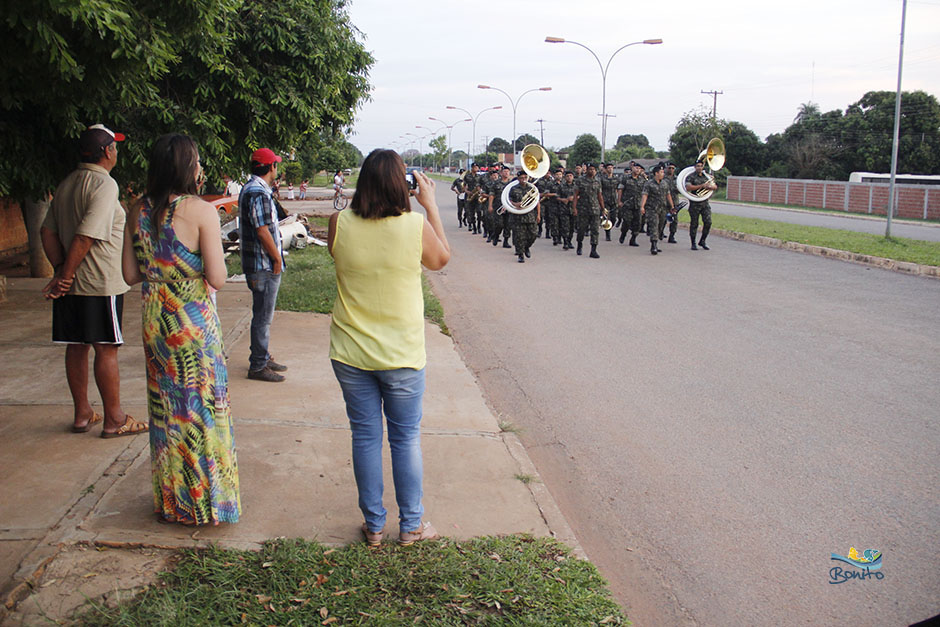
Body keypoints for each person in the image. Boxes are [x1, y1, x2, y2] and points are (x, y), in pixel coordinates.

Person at [327, 149, 450, 546]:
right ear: (404, 184)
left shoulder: (337, 223)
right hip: (402, 355)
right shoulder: (414, 226)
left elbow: (339, 254)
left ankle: (375, 525)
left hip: (350, 351)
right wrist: (430, 205)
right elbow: (440, 260)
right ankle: (411, 525)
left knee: (364, 436)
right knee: (405, 438)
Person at [122, 133, 239, 525]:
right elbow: (219, 278)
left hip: (155, 319)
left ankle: (172, 503)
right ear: (188, 167)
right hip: (191, 321)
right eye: (198, 161)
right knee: (203, 408)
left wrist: (161, 274)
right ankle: (207, 504)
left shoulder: (136, 209)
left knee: (166, 411)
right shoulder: (200, 210)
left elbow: (128, 273)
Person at [40, 124, 145, 438]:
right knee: (106, 347)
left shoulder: (66, 184)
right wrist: (67, 273)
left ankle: (83, 412)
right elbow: (87, 234)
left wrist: (61, 270)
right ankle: (115, 419)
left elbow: (47, 231)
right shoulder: (105, 185)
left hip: (72, 283)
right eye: (115, 148)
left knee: (77, 345)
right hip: (99, 282)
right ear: (107, 152)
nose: (117, 153)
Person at [239, 148, 288, 382]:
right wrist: (277, 258)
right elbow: (262, 230)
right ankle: (258, 365)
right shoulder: (258, 192)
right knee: (263, 317)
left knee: (261, 314)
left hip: (258, 263)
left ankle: (262, 355)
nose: (276, 169)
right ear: (270, 168)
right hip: (263, 265)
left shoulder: (253, 189)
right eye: (275, 165)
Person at [640, 163, 674, 255]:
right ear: (656, 173)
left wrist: (672, 206)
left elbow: (668, 194)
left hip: (663, 208)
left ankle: (656, 242)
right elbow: (645, 195)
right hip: (652, 208)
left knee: (660, 226)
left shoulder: (665, 183)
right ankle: (653, 245)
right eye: (661, 172)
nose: (663, 174)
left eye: (663, 172)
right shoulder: (649, 183)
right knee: (654, 225)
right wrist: (642, 206)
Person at [572, 163, 605, 258]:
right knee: (581, 229)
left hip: (595, 209)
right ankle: (579, 245)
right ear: (586, 170)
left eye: (594, 169)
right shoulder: (580, 181)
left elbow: (600, 196)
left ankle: (593, 250)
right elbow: (575, 195)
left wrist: (603, 208)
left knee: (595, 230)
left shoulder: (597, 181)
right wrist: (574, 208)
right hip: (583, 209)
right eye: (590, 169)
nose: (592, 171)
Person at [508, 171, 540, 263]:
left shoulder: (532, 188)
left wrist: (538, 214)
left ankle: (526, 247)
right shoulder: (513, 189)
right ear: (518, 179)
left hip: (530, 215)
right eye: (521, 178)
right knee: (519, 236)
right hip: (518, 216)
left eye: (525, 177)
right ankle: (520, 254)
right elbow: (509, 200)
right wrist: (515, 204)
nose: (524, 179)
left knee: (533, 234)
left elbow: (537, 202)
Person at [685, 159, 716, 250]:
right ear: (695, 167)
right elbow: (688, 187)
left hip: (705, 203)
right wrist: (701, 186)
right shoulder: (691, 177)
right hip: (695, 203)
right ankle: (693, 243)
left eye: (701, 166)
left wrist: (710, 187)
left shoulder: (706, 177)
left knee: (708, 222)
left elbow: (714, 186)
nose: (699, 168)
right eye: (698, 166)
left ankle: (702, 241)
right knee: (694, 224)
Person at [617, 162, 644, 247]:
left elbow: (645, 193)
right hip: (627, 204)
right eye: (636, 168)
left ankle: (633, 239)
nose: (637, 170)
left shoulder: (642, 179)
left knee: (638, 223)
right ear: (632, 168)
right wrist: (619, 201)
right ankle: (623, 234)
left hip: (638, 204)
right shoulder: (625, 178)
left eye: (639, 169)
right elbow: (620, 189)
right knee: (627, 221)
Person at [557, 170, 577, 250]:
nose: (569, 177)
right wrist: (564, 200)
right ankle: (565, 242)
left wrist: (574, 198)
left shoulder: (576, 186)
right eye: (567, 176)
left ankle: (569, 241)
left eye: (570, 176)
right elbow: (557, 197)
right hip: (564, 209)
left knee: (572, 227)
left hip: (573, 208)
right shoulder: (561, 186)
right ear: (565, 177)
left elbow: (581, 195)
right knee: (565, 226)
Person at [600, 163, 619, 242]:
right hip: (605, 200)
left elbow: (618, 189)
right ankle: (607, 233)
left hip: (614, 200)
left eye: (611, 167)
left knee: (614, 219)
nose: (610, 169)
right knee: (607, 218)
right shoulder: (602, 179)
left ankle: (610, 227)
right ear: (605, 169)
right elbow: (600, 190)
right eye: (608, 168)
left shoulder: (616, 178)